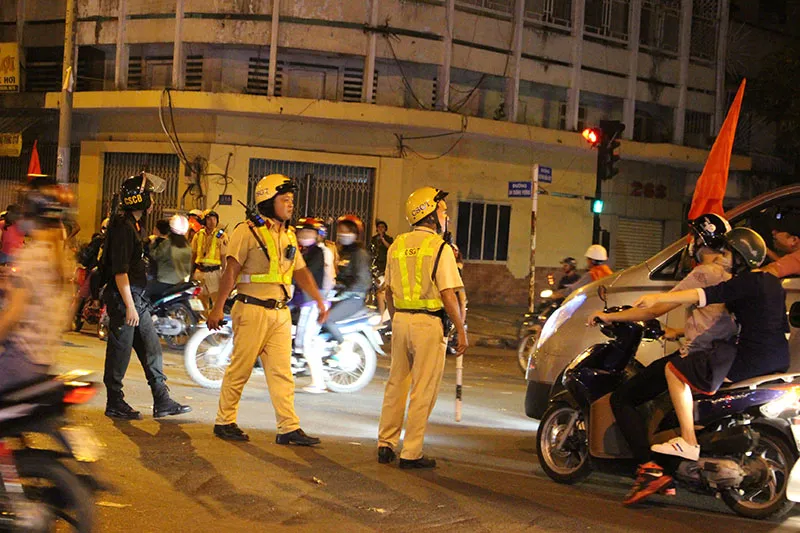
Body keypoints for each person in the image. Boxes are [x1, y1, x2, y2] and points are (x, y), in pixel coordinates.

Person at [587, 213, 737, 505]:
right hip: (724, 355)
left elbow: (653, 310)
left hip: (697, 357)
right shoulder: (734, 274)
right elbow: (716, 319)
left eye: (693, 237)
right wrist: (677, 331)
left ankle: (649, 469)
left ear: (700, 241)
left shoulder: (704, 273)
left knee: (623, 398)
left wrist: (607, 315)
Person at [635, 228, 790, 463]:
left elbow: (702, 295)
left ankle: (688, 441)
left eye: (726, 254)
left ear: (741, 258)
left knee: (674, 370)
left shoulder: (746, 282)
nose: (721, 258)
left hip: (751, 361)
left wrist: (658, 298)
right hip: (780, 359)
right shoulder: (773, 283)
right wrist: (678, 331)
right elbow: (769, 324)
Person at [207, 174, 329, 444]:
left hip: (280, 313)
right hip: (252, 309)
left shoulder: (288, 235)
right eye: (285, 199)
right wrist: (217, 308)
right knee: (240, 369)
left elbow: (301, 271)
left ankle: (288, 427)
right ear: (267, 200)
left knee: (282, 373)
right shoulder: (246, 231)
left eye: (291, 200)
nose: (290, 205)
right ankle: (224, 421)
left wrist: (319, 300)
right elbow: (231, 270)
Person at [377, 187, 468, 469]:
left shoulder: (397, 245)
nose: (446, 215)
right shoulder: (440, 248)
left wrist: (397, 319)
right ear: (429, 213)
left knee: (396, 384)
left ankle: (385, 443)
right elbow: (448, 294)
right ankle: (411, 452)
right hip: (428, 324)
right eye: (442, 210)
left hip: (401, 321)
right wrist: (461, 330)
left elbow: (387, 291)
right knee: (423, 389)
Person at [102, 172, 192, 420]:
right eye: (150, 195)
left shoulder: (134, 225)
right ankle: (114, 402)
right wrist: (129, 306)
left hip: (137, 299)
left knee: (152, 349)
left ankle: (162, 400)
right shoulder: (123, 228)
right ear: (138, 199)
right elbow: (120, 271)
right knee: (120, 353)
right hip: (125, 300)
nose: (153, 200)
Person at [0, 178, 73, 391]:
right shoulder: (62, 258)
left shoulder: (30, 256)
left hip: (19, 360)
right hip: (44, 361)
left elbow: (13, 315)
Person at [292, 217, 335, 394]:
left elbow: (305, 274)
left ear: (317, 235)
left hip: (314, 302)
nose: (304, 234)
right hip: (304, 301)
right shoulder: (303, 251)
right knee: (300, 340)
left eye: (309, 232)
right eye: (302, 231)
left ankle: (319, 382)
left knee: (308, 342)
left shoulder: (318, 252)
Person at [324, 214, 371, 344]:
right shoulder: (344, 252)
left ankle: (341, 345)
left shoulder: (360, 254)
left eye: (347, 231)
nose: (342, 234)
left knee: (326, 319)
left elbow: (363, 280)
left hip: (354, 298)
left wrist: (344, 293)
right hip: (341, 295)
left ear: (356, 234)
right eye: (340, 230)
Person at [192, 209, 228, 313]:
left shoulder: (221, 236)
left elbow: (224, 256)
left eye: (214, 219)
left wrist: (224, 274)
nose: (212, 222)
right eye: (209, 219)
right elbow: (193, 255)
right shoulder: (198, 235)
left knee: (216, 301)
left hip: (214, 272)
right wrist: (191, 272)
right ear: (204, 220)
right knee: (200, 303)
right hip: (199, 272)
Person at [147, 215, 192, 298]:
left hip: (164, 281)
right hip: (180, 282)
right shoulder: (187, 245)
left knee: (143, 292)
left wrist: (152, 244)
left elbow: (154, 255)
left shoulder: (168, 243)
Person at [760, 212, 800, 278]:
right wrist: (767, 251)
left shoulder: (795, 259)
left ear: (794, 241)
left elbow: (759, 276)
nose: (773, 232)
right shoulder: (795, 259)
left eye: (775, 239)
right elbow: (786, 263)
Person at [370, 219, 394, 318]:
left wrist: (382, 239)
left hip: (384, 268)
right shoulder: (373, 239)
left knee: (381, 290)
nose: (380, 229)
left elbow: (390, 248)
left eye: (382, 227)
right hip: (375, 267)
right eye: (379, 227)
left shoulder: (388, 239)